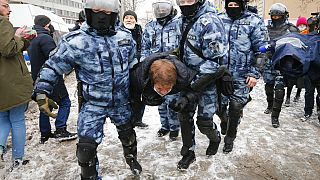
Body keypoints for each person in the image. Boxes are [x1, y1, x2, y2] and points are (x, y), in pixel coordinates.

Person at [32, 0, 142, 178]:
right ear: (88, 12)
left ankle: (131, 159)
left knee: (128, 136)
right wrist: (41, 91)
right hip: (93, 104)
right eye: (96, 11)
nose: (101, 16)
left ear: (114, 14)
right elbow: (53, 67)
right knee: (85, 149)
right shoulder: (76, 41)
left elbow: (133, 65)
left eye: (106, 12)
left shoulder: (125, 37)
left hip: (121, 101)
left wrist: (143, 86)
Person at [174, 0, 228, 169]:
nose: (185, 4)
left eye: (189, 0)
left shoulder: (210, 22)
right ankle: (188, 153)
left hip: (207, 81)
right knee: (184, 116)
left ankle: (215, 137)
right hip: (185, 79)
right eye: (181, 1)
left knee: (204, 123)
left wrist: (193, 87)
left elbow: (216, 63)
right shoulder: (180, 21)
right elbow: (179, 50)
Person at [217, 0, 268, 153]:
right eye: (229, 5)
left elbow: (263, 49)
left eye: (236, 4)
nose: (232, 8)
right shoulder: (218, 19)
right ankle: (224, 120)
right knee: (218, 107)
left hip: (243, 74)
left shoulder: (254, 21)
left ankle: (230, 139)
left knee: (235, 107)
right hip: (220, 74)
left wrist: (254, 73)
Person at [27, 15, 77, 143]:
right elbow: (54, 59)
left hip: (37, 77)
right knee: (65, 101)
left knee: (45, 104)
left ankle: (45, 134)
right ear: (47, 25)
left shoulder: (33, 38)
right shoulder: (45, 39)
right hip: (50, 77)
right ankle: (61, 129)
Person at [0, 0, 35, 168]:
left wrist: (21, 40)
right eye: (5, 5)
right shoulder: (3, 23)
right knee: (17, 120)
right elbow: (8, 50)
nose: (9, 9)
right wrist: (19, 36)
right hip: (10, 82)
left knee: (2, 119)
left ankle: (0, 149)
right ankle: (18, 159)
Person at [140, 0, 181, 140]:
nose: (161, 12)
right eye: (159, 9)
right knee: (160, 101)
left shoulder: (178, 24)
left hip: (172, 70)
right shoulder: (150, 26)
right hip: (155, 70)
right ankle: (165, 126)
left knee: (172, 101)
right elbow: (144, 46)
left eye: (164, 9)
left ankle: (175, 128)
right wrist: (145, 64)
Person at [263, 3, 299, 128]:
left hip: (282, 63)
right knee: (268, 86)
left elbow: (298, 45)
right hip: (268, 61)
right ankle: (269, 104)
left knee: (279, 89)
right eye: (273, 16)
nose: (276, 18)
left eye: (279, 16)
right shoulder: (265, 28)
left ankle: (275, 116)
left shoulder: (291, 29)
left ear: (284, 16)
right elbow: (260, 44)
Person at [122, 10, 148, 128]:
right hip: (122, 70)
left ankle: (137, 119)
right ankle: (126, 120)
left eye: (131, 18)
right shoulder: (117, 32)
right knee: (124, 96)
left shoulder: (141, 32)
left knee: (138, 96)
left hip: (137, 69)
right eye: (126, 18)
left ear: (135, 20)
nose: (129, 20)